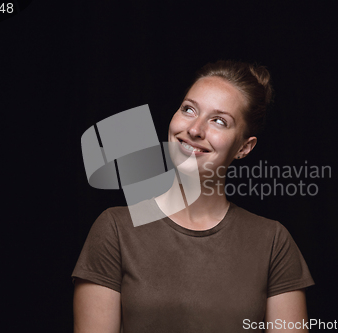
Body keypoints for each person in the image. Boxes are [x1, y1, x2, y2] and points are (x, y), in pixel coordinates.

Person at [72, 60, 315, 332]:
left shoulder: (273, 242)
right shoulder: (115, 228)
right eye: (189, 109)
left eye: (219, 121)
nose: (195, 129)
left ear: (244, 147)